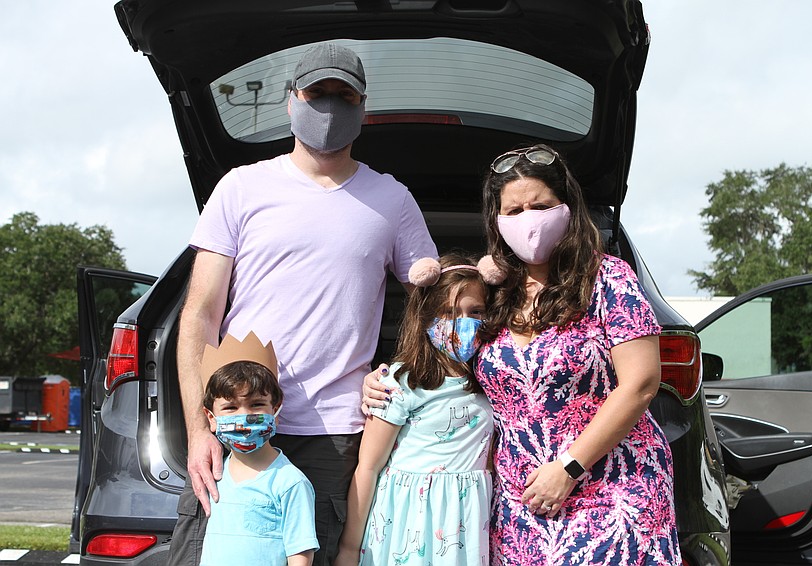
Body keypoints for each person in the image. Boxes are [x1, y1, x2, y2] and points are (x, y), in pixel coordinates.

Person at [169, 41, 438, 566]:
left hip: (334, 433)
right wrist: (200, 430)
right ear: (291, 100)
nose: (330, 108)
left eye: (344, 96)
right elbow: (200, 313)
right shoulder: (241, 188)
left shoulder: (392, 199)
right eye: (318, 93)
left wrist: (391, 373)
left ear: (364, 108)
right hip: (236, 419)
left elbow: (435, 304)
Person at [474, 144, 681, 565]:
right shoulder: (492, 294)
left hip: (612, 494)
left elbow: (641, 384)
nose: (528, 219)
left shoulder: (608, 278)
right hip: (520, 508)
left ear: (566, 208)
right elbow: (440, 364)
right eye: (514, 211)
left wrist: (569, 467)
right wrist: (384, 381)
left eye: (540, 205)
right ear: (497, 222)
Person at [334, 253, 495, 566]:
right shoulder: (401, 381)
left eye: (475, 311)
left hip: (468, 521)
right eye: (447, 312)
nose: (461, 323)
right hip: (409, 520)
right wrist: (349, 548)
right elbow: (368, 466)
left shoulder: (496, 378)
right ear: (425, 316)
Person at [199, 332, 317, 566]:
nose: (244, 417)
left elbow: (300, 555)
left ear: (275, 408)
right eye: (230, 407)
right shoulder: (215, 476)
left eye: (256, 405)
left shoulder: (290, 482)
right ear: (211, 418)